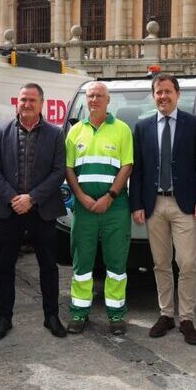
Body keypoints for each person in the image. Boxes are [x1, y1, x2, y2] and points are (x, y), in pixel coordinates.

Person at [129, 73, 196, 345]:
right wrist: (137, 203)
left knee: (187, 262)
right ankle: (166, 314)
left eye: (167, 91)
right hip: (154, 204)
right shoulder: (142, 128)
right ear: (153, 96)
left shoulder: (193, 125)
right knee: (160, 263)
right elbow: (137, 169)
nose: (162, 96)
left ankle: (186, 318)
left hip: (183, 204)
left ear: (177, 94)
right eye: (158, 92)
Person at [0, 83, 67, 339]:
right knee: (5, 266)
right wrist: (13, 197)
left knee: (48, 266)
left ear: (42, 103)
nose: (27, 104)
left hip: (42, 209)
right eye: (23, 100)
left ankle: (51, 316)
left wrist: (32, 198)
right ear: (17, 103)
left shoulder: (55, 134)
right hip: (10, 210)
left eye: (32, 100)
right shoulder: (2, 131)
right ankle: (4, 317)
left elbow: (59, 171)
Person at [65, 81, 133, 335]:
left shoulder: (122, 130)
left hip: (114, 207)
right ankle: (79, 312)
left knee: (116, 263)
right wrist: (80, 197)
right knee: (82, 263)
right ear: (85, 99)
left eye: (99, 96)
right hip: (84, 208)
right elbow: (69, 168)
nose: (94, 100)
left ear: (108, 100)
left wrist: (110, 196)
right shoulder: (75, 131)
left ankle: (116, 316)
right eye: (90, 96)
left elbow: (127, 166)